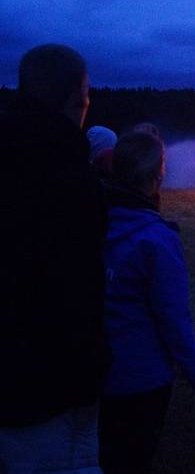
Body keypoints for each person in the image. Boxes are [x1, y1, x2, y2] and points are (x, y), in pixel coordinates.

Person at [0, 44, 108, 472]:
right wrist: (90, 375)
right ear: (76, 98)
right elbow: (76, 291)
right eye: (85, 94)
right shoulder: (68, 178)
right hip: (47, 389)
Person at [99, 131, 195, 473]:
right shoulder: (157, 241)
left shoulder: (94, 227)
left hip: (97, 375)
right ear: (157, 177)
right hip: (143, 382)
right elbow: (174, 320)